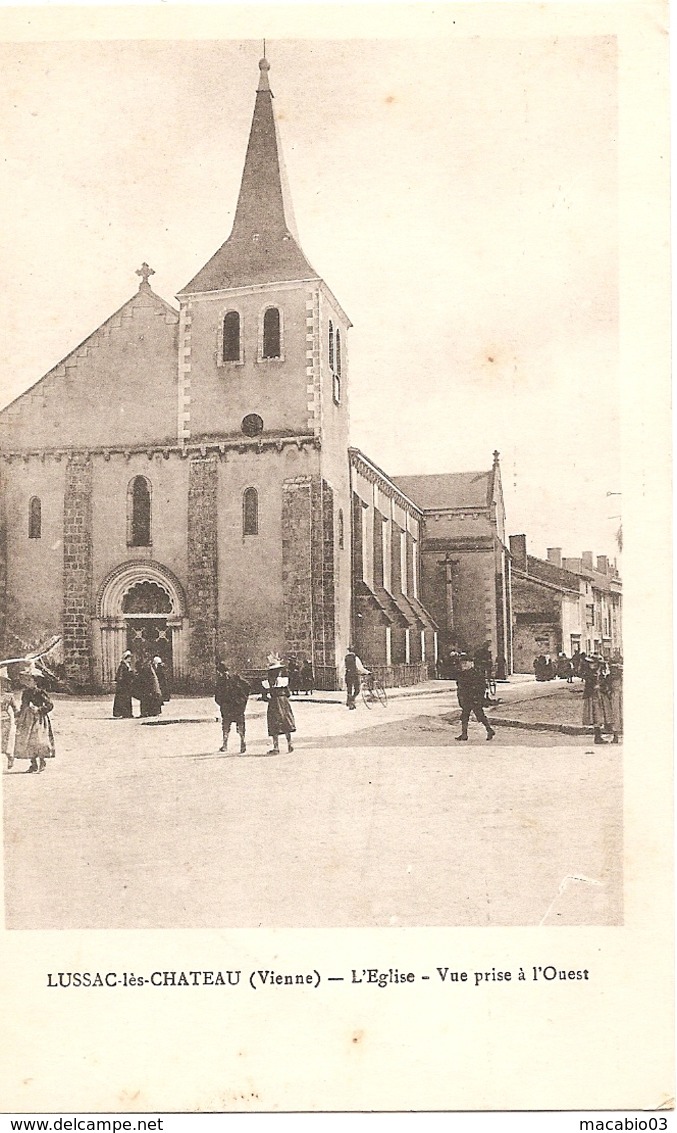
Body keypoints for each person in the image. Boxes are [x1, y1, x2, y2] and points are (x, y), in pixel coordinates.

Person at [13, 670, 55, 773]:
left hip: (39, 719)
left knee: (39, 740)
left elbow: (50, 705)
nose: (28, 682)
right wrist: (19, 715)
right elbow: (24, 705)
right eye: (27, 680)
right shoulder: (26, 693)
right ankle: (33, 764)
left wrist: (39, 709)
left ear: (36, 682)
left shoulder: (40, 692)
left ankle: (42, 761)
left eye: (30, 680)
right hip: (28, 719)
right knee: (28, 740)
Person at [455, 656, 496, 742]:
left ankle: (489, 730)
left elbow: (482, 687)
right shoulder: (462, 674)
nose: (463, 665)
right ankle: (464, 734)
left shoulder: (476, 673)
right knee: (464, 716)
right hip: (466, 699)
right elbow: (460, 687)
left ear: (471, 664)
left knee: (480, 715)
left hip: (474, 699)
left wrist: (478, 698)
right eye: (462, 663)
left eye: (465, 663)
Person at [214, 661, 251, 754]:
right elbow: (247, 686)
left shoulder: (222, 680)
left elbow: (217, 695)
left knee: (226, 725)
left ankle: (227, 745)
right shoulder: (235, 677)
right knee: (239, 725)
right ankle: (242, 743)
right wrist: (243, 700)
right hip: (235, 706)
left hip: (229, 707)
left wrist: (222, 703)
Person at [261, 655, 296, 754]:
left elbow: (264, 696)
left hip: (273, 702)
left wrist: (269, 698)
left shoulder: (267, 682)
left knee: (274, 723)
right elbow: (288, 693)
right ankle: (290, 744)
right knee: (286, 721)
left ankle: (276, 747)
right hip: (284, 702)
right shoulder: (284, 681)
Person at [581, 655, 609, 744]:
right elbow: (588, 683)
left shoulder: (600, 673)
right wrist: (595, 686)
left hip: (599, 696)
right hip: (592, 696)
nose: (592, 665)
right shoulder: (589, 674)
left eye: (594, 663)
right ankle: (597, 737)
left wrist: (601, 686)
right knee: (595, 716)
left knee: (599, 716)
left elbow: (604, 683)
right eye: (590, 663)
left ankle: (598, 736)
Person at [344, 645, 369, 710]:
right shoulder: (355, 658)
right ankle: (351, 701)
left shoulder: (345, 658)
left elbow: (342, 667)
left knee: (349, 689)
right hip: (354, 675)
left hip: (348, 675)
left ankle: (350, 702)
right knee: (357, 689)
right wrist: (367, 672)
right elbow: (360, 668)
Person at [1, 671, 17, 770]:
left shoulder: (9, 696)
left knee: (4, 743)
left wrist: (18, 718)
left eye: (3, 681)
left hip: (4, 720)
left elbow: (15, 709)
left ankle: (10, 756)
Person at [113, 651, 135, 718]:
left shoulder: (127, 665)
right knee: (123, 699)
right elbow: (120, 676)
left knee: (126, 699)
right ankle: (124, 713)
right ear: (126, 658)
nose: (130, 659)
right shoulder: (122, 666)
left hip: (126, 685)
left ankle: (127, 713)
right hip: (123, 686)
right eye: (129, 658)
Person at [606, 658, 623, 743]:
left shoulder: (621, 677)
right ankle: (615, 736)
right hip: (615, 697)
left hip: (619, 697)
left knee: (618, 715)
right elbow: (606, 688)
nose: (613, 671)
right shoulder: (609, 678)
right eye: (611, 668)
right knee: (616, 715)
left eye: (615, 669)